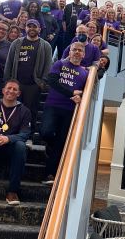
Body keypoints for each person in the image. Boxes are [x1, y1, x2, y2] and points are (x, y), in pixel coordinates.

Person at [40, 42, 88, 184]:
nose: (77, 52)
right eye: (74, 50)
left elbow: (85, 91)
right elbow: (53, 82)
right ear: (69, 51)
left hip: (70, 110)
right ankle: (51, 148)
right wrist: (71, 93)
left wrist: (79, 96)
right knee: (46, 132)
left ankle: (50, 174)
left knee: (61, 142)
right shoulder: (60, 64)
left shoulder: (85, 73)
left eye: (80, 50)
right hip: (53, 105)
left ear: (84, 54)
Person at [4, 19, 52, 138]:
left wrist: (42, 82)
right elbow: (9, 62)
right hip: (16, 83)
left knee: (31, 111)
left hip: (33, 84)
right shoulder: (16, 43)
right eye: (29, 26)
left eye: (34, 27)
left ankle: (28, 134)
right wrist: (7, 82)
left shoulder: (45, 45)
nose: (31, 29)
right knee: (13, 109)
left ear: (39, 29)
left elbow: (48, 65)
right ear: (25, 28)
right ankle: (12, 132)